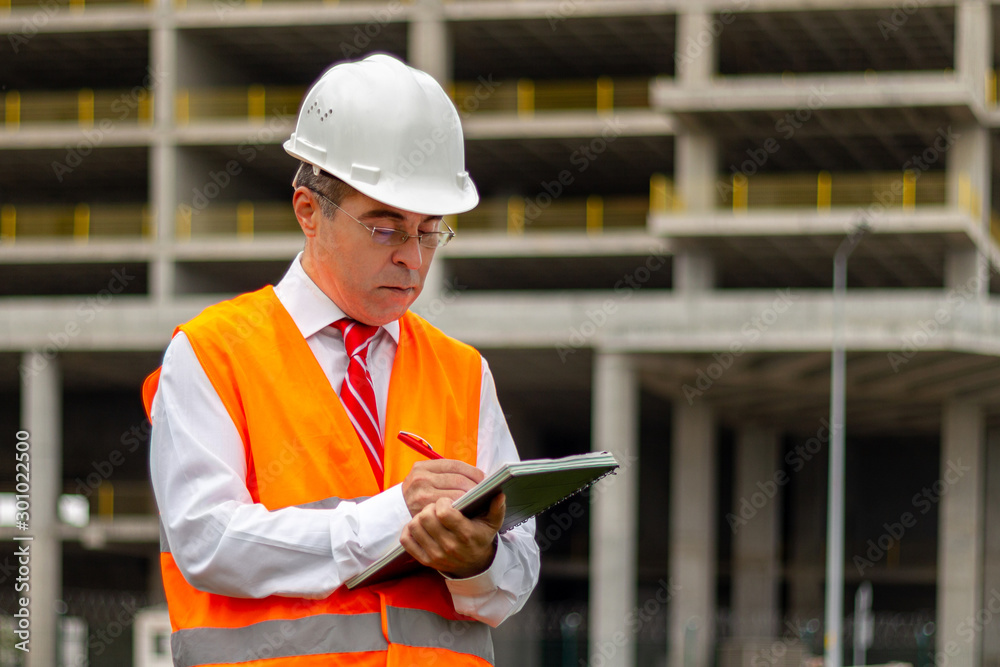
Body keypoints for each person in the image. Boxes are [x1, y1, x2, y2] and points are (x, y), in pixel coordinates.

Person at [143, 54, 540, 667]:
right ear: (309, 211)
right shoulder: (213, 352)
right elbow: (210, 543)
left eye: (430, 230)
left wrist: (477, 564)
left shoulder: (461, 370)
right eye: (386, 229)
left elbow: (516, 572)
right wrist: (392, 518)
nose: (413, 257)